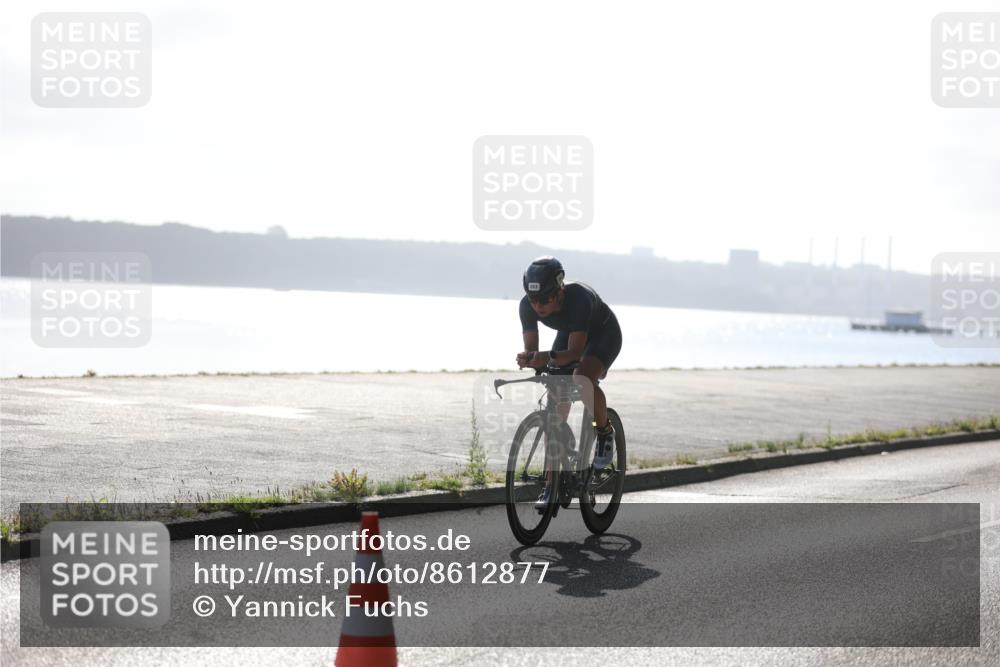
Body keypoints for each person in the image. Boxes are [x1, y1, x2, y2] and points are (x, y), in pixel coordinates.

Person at [515, 256, 623, 478]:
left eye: (544, 299)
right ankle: (552, 476)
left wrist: (545, 357)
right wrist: (530, 358)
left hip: (603, 334)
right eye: (533, 299)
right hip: (571, 331)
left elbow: (574, 354)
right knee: (555, 392)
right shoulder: (526, 306)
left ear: (559, 291)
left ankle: (604, 432)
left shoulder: (579, 299)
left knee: (581, 378)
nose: (538, 306)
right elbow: (534, 351)